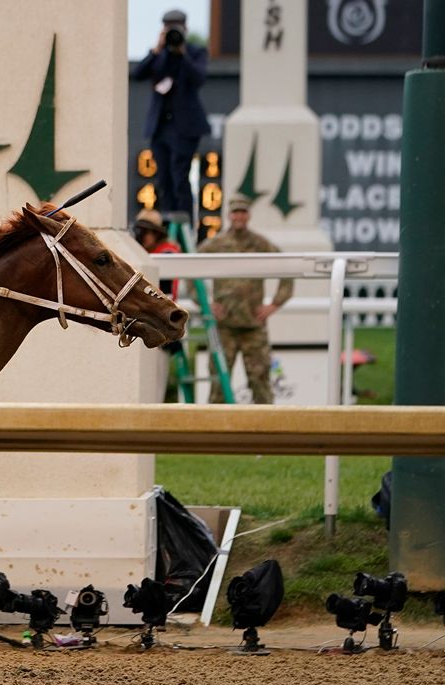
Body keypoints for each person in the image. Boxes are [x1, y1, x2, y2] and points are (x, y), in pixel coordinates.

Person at [198, 196, 293, 404]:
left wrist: (274, 304)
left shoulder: (260, 244)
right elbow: (189, 270)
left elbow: (288, 268)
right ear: (229, 215)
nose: (239, 216)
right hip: (224, 327)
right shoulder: (217, 244)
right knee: (218, 385)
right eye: (235, 212)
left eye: (243, 212)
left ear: (248, 215)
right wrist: (205, 303)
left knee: (260, 383)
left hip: (253, 326)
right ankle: (213, 432)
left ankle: (265, 431)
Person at [131, 9, 211, 222]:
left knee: (179, 176)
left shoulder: (195, 52)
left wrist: (182, 53)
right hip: (160, 127)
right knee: (164, 179)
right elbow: (137, 74)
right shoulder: (159, 54)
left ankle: (184, 221)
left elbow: (199, 78)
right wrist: (156, 50)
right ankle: (166, 222)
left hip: (185, 127)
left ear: (185, 28)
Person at [132, 208, 181, 298]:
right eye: (139, 231)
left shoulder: (167, 252)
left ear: (156, 234)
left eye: (145, 231)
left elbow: (165, 292)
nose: (141, 235)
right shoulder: (138, 250)